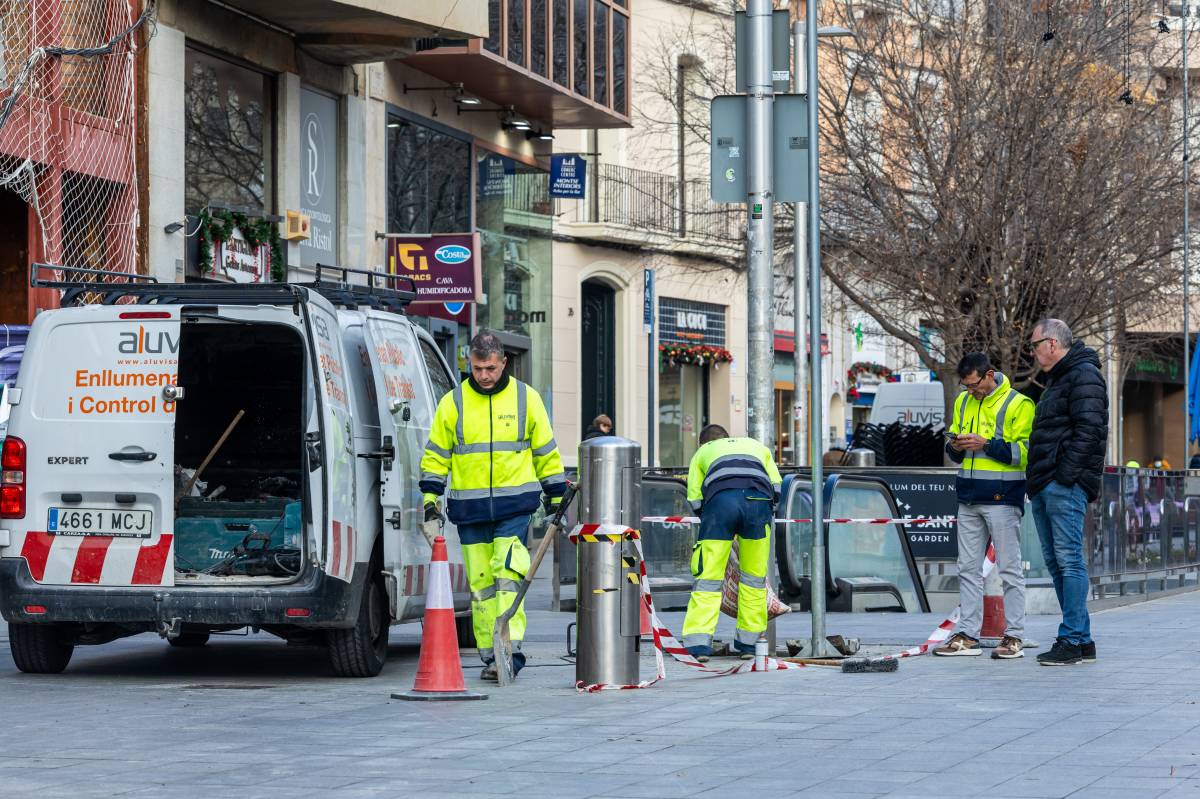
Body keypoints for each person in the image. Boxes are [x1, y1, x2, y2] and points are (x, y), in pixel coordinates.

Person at [419, 330, 566, 681]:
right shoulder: (453, 403)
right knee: (482, 585)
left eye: (490, 368)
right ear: (469, 363)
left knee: (508, 575)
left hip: (514, 508)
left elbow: (546, 452)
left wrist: (557, 495)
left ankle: (509, 650)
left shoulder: (526, 399)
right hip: (469, 511)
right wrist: (430, 502)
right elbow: (436, 456)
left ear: (504, 363)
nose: (484, 375)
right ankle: (490, 655)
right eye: (477, 368)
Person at [933, 353, 1034, 659]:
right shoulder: (963, 401)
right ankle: (967, 634)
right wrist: (955, 445)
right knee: (967, 568)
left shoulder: (1019, 403)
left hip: (1003, 497)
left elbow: (1026, 453)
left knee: (1009, 569)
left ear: (989, 374)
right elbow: (955, 453)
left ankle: (1014, 636)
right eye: (966, 386)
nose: (971, 391)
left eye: (974, 385)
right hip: (969, 496)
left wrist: (985, 444)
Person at [1026, 318, 1107, 666]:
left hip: (1062, 483)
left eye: (1034, 345)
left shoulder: (1083, 375)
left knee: (1069, 560)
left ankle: (1072, 639)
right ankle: (1081, 639)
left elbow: (1090, 430)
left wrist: (1065, 476)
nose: (1032, 353)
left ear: (1052, 344)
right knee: (1057, 562)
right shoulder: (1060, 378)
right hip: (1047, 482)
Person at [681, 424, 782, 661]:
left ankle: (698, 645)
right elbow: (777, 486)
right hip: (758, 504)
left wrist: (711, 519)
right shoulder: (757, 446)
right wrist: (764, 511)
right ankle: (749, 645)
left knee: (708, 578)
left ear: (704, 442)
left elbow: (694, 496)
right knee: (754, 579)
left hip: (721, 506)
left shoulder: (703, 452)